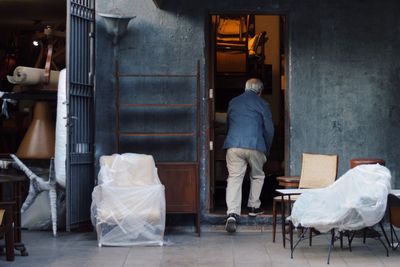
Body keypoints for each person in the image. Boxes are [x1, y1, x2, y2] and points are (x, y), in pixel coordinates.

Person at [223, 78, 274, 233]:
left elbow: (229, 124)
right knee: (257, 175)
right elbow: (269, 129)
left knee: (234, 178)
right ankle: (253, 206)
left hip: (234, 145)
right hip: (255, 144)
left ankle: (232, 213)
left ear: (245, 88)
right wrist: (267, 148)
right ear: (260, 91)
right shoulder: (263, 104)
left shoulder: (233, 102)